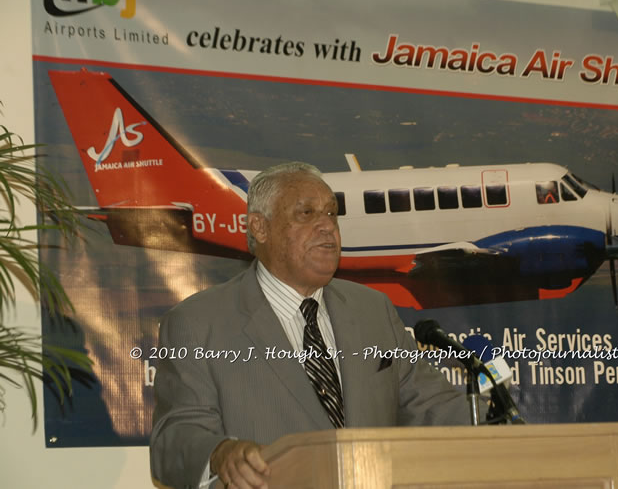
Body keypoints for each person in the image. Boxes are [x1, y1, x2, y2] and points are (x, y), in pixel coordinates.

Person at [150, 162, 470, 489]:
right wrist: (220, 453)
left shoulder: (372, 310)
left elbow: (430, 405)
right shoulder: (198, 323)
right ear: (259, 228)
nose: (327, 226)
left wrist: (507, 423)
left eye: (332, 213)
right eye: (306, 213)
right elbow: (174, 437)